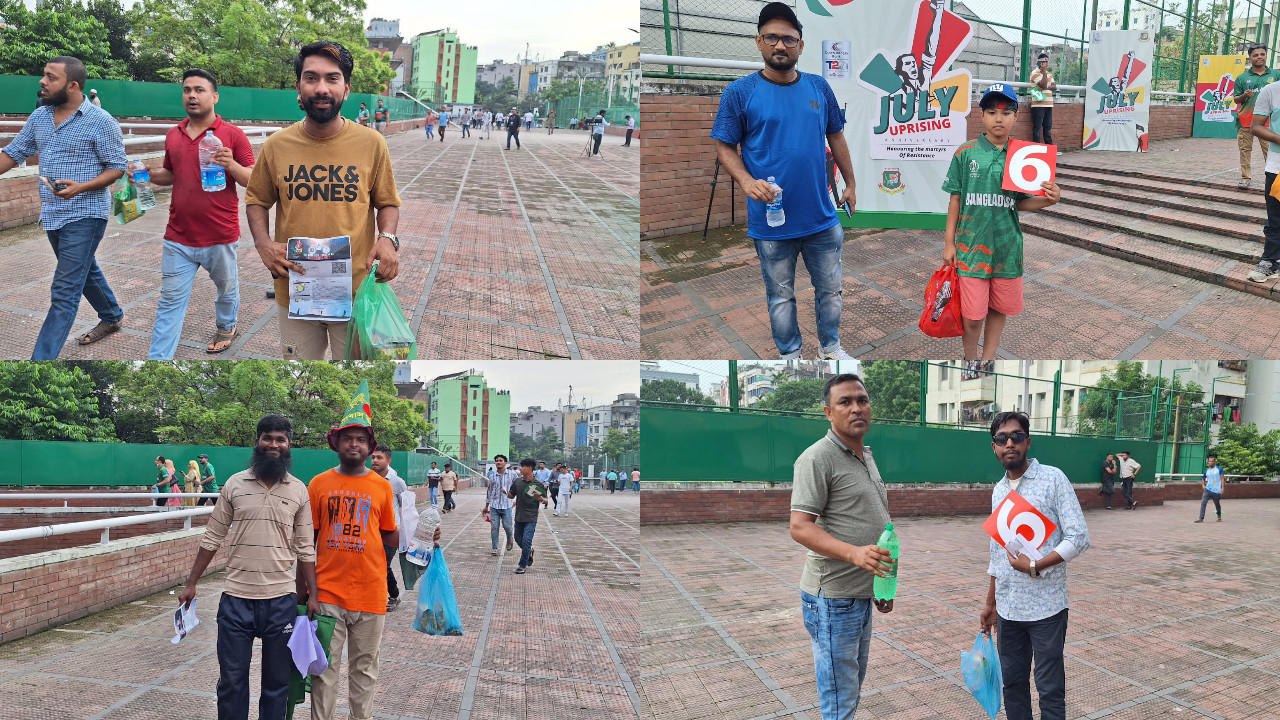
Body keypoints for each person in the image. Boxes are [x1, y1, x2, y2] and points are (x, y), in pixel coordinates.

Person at [711, 3, 858, 361]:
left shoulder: (818, 87)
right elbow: (723, 145)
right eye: (772, 37)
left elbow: (836, 136)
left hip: (821, 217)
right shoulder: (739, 92)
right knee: (780, 295)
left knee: (831, 291)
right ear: (759, 42)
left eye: (789, 39)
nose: (781, 45)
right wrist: (746, 181)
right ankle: (790, 356)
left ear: (801, 46)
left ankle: (831, 348)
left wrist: (850, 182)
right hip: (772, 221)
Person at [245, 41, 403, 360]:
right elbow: (257, 200)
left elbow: (387, 201)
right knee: (300, 374)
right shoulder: (277, 146)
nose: (321, 88)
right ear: (299, 87)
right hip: (296, 290)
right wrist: (262, 243)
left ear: (346, 89)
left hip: (355, 292)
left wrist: (387, 240)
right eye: (311, 78)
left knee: (358, 370)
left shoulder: (372, 144)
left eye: (332, 79)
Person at [177, 414, 319, 720]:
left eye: (280, 439)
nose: (273, 444)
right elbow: (212, 537)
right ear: (257, 441)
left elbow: (306, 548)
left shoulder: (299, 490)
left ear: (289, 445)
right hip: (236, 601)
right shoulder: (234, 484)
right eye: (267, 437)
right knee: (231, 682)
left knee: (276, 686)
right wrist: (191, 583)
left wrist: (313, 595)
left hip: (281, 601)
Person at [0, 56, 128, 359]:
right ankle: (112, 314)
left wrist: (80, 187)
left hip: (87, 213)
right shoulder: (40, 117)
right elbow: (14, 152)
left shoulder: (101, 121)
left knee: (64, 291)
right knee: (85, 269)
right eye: (44, 75)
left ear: (71, 85)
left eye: (50, 77)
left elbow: (117, 168)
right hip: (53, 213)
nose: (42, 82)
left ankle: (38, 363)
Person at [301, 381, 416, 720]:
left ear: (370, 448)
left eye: (361, 439)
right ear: (336, 443)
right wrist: (305, 590)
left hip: (370, 593)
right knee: (323, 670)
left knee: (364, 669)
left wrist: (424, 538)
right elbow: (308, 540)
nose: (355, 444)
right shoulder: (318, 484)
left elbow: (392, 537)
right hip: (327, 594)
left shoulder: (381, 487)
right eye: (349, 438)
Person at [789, 373, 894, 720]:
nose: (856, 408)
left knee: (850, 688)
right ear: (828, 412)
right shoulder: (817, 459)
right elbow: (800, 527)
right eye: (845, 402)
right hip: (832, 599)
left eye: (861, 400)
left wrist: (881, 585)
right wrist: (854, 554)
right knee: (840, 698)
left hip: (860, 594)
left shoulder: (865, 454)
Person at [980, 411, 1090, 720]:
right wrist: (990, 604)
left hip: (1046, 609)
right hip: (1008, 609)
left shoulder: (1053, 478)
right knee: (1013, 685)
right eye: (1002, 439)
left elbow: (1079, 537)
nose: (1009, 443)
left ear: (1028, 442)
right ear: (994, 447)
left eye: (1016, 437)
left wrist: (1036, 564)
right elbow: (997, 552)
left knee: (1050, 688)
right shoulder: (999, 490)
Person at [943, 84, 1061, 366]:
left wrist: (1048, 200)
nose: (999, 118)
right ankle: (970, 361)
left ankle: (987, 361)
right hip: (971, 249)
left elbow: (1018, 202)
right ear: (981, 116)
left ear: (1016, 117)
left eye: (1007, 112)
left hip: (1007, 248)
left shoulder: (1021, 156)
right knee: (972, 315)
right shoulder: (966, 153)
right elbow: (955, 200)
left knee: (999, 309)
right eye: (992, 112)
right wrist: (949, 243)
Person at [141, 68, 255, 359]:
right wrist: (148, 175)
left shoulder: (232, 135)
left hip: (220, 235)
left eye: (199, 90)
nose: (192, 95)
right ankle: (158, 360)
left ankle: (227, 327)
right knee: (169, 302)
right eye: (187, 90)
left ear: (214, 96)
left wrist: (231, 165)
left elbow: (252, 180)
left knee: (226, 289)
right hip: (178, 237)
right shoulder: (174, 134)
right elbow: (170, 174)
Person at [1246, 77, 1280, 282]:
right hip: (1278, 167)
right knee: (1276, 218)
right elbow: (1256, 127)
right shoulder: (1271, 90)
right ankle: (1270, 262)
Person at [1234, 44, 1280, 189]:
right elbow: (1235, 99)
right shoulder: (1242, 78)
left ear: (1266, 56)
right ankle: (1245, 178)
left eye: (1262, 54)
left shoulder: (1275, 74)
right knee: (1245, 150)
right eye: (1255, 55)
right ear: (1250, 58)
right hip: (1245, 121)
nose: (1259, 57)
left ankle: (1275, 178)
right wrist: (1244, 95)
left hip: (1267, 125)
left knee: (1270, 150)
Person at [369, 444, 409, 611]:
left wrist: (406, 534)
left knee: (383, 564)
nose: (375, 461)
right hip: (370, 530)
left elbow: (406, 508)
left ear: (388, 460)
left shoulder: (397, 482)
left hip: (390, 532)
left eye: (379, 458)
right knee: (371, 565)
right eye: (373, 457)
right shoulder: (367, 478)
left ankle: (393, 595)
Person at [507, 458, 550, 574]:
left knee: (527, 540)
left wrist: (540, 499)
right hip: (519, 516)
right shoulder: (518, 482)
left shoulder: (538, 484)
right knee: (517, 538)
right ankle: (529, 551)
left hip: (531, 517)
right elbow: (511, 495)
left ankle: (522, 564)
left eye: (523, 466)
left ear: (530, 468)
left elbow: (546, 501)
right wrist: (506, 493)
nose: (521, 469)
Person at [486, 454, 518, 556]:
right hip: (494, 506)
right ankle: (495, 548)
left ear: (505, 463)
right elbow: (489, 491)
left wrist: (516, 501)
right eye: (497, 460)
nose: (498, 462)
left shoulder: (512, 475)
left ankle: (510, 538)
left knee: (507, 526)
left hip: (507, 505)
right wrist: (486, 506)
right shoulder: (492, 476)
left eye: (500, 460)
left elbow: (518, 488)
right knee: (494, 527)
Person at [1028, 53, 1056, 147]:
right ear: (1039, 63)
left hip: (1049, 104)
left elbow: (1054, 86)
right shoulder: (1034, 74)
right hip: (1038, 105)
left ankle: (1049, 149)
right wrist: (1044, 73)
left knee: (1047, 127)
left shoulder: (1049, 74)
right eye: (1044, 62)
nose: (1046, 64)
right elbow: (1044, 85)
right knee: (1038, 128)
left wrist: (1045, 86)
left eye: (1047, 62)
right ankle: (1037, 149)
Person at [1195, 455, 1224, 523]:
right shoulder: (1207, 471)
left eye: (1212, 461)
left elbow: (1222, 478)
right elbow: (1203, 478)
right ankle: (1201, 518)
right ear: (1208, 462)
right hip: (1208, 489)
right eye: (1210, 461)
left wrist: (1222, 488)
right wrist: (1203, 485)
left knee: (1217, 504)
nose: (1211, 462)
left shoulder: (1219, 469)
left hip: (1216, 490)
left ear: (1215, 462)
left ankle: (1219, 516)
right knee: (1203, 502)